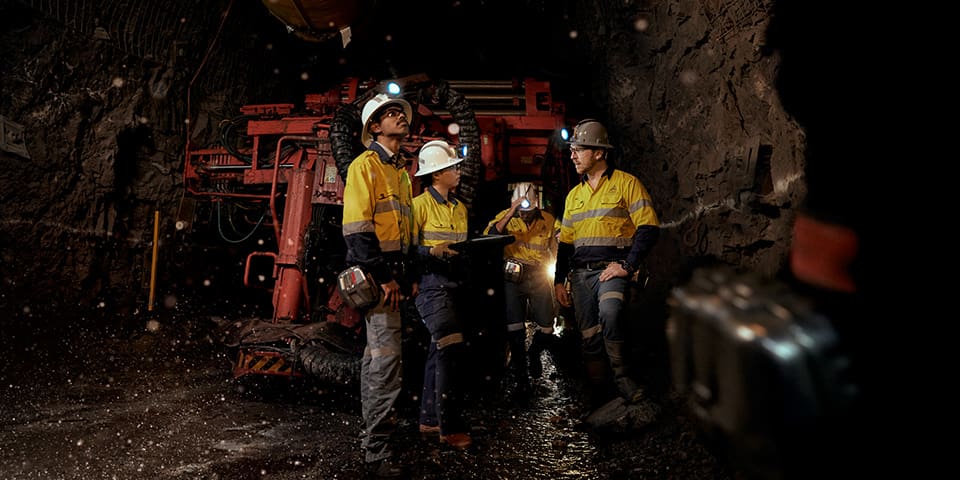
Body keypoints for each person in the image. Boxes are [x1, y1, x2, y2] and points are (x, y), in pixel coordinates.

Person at [553, 119, 660, 407]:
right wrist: (557, 280)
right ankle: (599, 393)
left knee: (611, 314)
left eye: (579, 149)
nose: (572, 155)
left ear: (599, 153)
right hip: (580, 275)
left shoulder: (627, 184)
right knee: (589, 334)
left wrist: (627, 265)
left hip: (611, 269)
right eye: (572, 150)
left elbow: (648, 228)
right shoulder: (574, 195)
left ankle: (624, 379)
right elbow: (565, 243)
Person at [342, 93, 416, 478]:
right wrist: (385, 278)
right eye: (390, 114)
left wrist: (405, 278)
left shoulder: (400, 173)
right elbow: (357, 232)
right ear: (374, 127)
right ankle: (378, 453)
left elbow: (402, 234)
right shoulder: (364, 166)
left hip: (393, 279)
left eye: (400, 114)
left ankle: (375, 439)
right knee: (385, 364)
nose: (399, 118)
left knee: (378, 362)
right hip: (376, 279)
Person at [410, 140, 473, 450]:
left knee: (439, 351)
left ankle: (429, 419)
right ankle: (449, 428)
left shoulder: (460, 209)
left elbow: (461, 250)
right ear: (436, 174)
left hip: (454, 285)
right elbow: (405, 249)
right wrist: (429, 252)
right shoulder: (418, 206)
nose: (458, 172)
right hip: (430, 284)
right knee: (449, 347)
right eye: (452, 167)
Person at [485, 182, 558, 399]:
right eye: (522, 211)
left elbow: (558, 244)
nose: (525, 216)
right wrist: (511, 212)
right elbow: (490, 234)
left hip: (539, 276)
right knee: (515, 331)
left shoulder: (549, 220)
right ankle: (521, 380)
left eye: (529, 211)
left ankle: (534, 352)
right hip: (513, 277)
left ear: (536, 206)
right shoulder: (506, 217)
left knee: (547, 327)